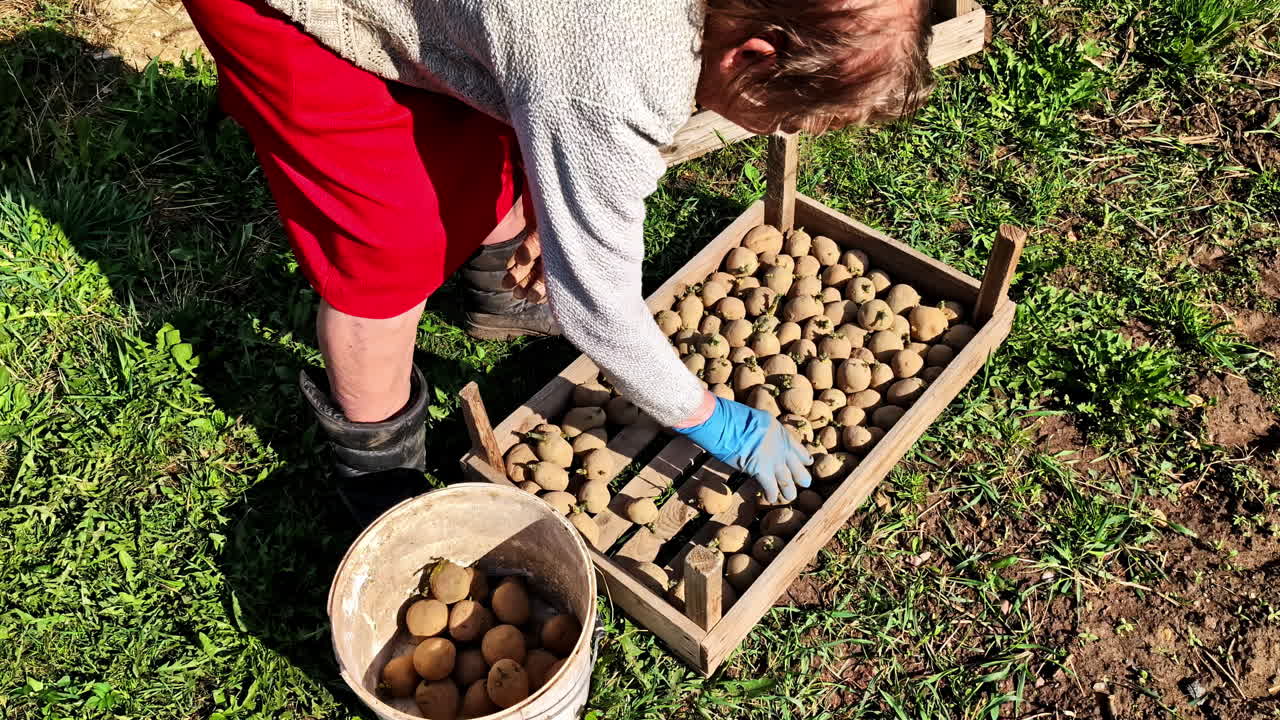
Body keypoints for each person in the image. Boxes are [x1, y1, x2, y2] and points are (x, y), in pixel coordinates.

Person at [181, 0, 936, 523]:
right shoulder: (615, 73)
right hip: (289, 14)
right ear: (751, 55)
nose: (780, 133)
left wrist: (568, 199)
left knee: (486, 142)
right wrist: (711, 420)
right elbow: (597, 308)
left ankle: (494, 290)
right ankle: (378, 472)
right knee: (388, 246)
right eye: (788, 116)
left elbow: (545, 79)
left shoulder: (631, 54)